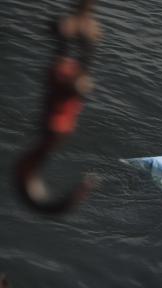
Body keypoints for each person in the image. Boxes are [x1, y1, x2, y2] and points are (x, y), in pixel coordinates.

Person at [15, 0, 101, 213]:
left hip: (56, 116)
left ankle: (75, 25)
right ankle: (74, 26)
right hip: (56, 115)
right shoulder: (62, 78)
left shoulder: (64, 78)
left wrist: (81, 191)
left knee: (77, 57)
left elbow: (79, 81)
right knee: (74, 56)